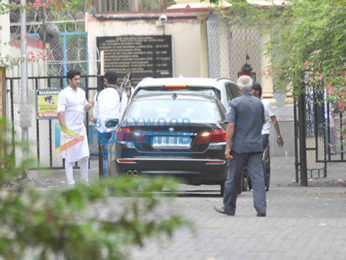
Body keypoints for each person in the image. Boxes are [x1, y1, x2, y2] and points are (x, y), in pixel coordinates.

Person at [214, 75, 267, 217]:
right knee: (257, 179)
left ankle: (229, 208)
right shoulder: (258, 103)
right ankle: (261, 208)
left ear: (238, 88)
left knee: (233, 178)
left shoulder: (235, 103)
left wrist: (228, 147)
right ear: (251, 88)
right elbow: (262, 122)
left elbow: (230, 125)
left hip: (238, 148)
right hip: (255, 146)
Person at [57, 69, 93, 185]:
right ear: (69, 80)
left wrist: (90, 105)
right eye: (76, 79)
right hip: (70, 130)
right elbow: (60, 112)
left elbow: (85, 106)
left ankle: (85, 181)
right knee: (70, 158)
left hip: (80, 128)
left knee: (85, 155)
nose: (78, 81)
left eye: (79, 79)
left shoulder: (82, 92)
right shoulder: (63, 94)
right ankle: (71, 183)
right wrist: (64, 129)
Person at [93, 71, 128, 177]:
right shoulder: (122, 95)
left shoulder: (98, 95)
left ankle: (106, 186)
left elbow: (95, 115)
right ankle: (115, 185)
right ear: (117, 81)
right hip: (116, 130)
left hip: (102, 129)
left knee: (105, 158)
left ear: (106, 81)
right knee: (116, 158)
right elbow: (123, 115)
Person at [251, 83, 284, 190]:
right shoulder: (250, 103)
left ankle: (263, 184)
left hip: (263, 133)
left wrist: (278, 136)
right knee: (254, 159)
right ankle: (258, 183)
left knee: (257, 158)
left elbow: (274, 120)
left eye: (252, 90)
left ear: (257, 91)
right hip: (253, 134)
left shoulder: (265, 104)